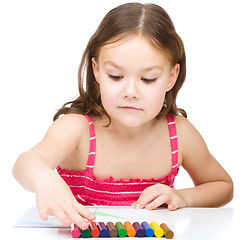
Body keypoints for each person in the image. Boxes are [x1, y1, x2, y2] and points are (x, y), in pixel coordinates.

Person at [12, 2, 233, 231]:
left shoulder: (179, 134)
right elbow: (25, 163)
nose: (130, 92)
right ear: (97, 70)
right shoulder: (77, 130)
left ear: (171, 77)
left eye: (148, 79)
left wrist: (184, 197)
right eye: (116, 76)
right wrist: (44, 180)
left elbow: (223, 186)